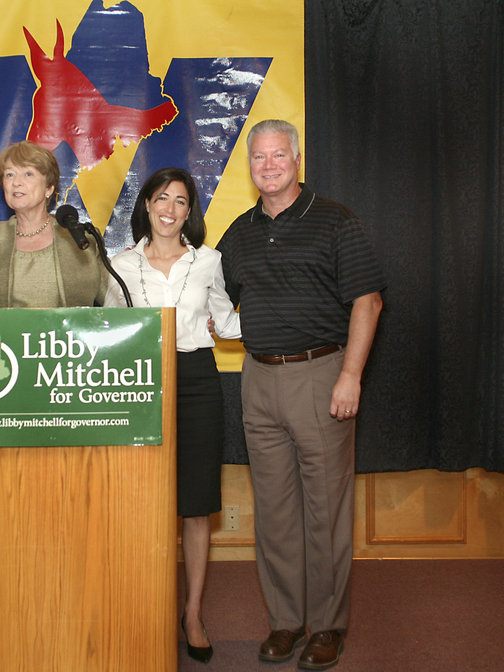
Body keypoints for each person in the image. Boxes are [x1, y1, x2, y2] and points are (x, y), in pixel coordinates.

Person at [216, 119, 385, 670]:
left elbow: (368, 301)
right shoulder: (238, 233)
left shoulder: (336, 220)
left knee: (325, 513)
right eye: (258, 158)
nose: (268, 166)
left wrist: (351, 376)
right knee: (276, 513)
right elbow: (217, 299)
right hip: (258, 381)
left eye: (278, 156)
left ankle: (328, 627)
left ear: (297, 160)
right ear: (250, 165)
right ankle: (286, 622)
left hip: (321, 375)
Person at [104, 167, 242, 664]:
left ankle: (191, 613)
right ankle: (148, 609)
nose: (169, 208)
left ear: (190, 211)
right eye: (161, 198)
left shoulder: (209, 262)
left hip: (199, 382)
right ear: (145, 205)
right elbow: (107, 332)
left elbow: (226, 321)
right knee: (144, 504)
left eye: (180, 201)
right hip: (138, 383)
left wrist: (287, 317)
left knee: (195, 503)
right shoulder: (119, 264)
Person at [0, 140, 109, 307]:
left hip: (69, 333)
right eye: (9, 174)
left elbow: (114, 302)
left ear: (49, 188)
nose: (16, 182)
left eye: (28, 174)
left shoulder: (81, 239)